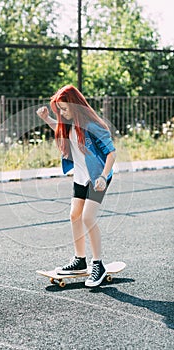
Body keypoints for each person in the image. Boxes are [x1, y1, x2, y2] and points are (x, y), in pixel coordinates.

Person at [36, 85, 116, 287]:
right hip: (81, 177)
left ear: (74, 104)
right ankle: (80, 260)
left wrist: (103, 177)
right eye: (59, 110)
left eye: (64, 108)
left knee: (88, 217)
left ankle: (98, 264)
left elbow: (111, 153)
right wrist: (46, 118)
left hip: (97, 179)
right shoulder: (69, 124)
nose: (62, 113)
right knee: (74, 215)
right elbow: (61, 131)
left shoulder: (92, 125)